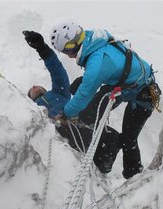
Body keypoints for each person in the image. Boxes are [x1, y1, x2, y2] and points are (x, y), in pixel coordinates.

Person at [49, 22, 162, 179]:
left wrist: (65, 114)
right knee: (88, 113)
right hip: (125, 84)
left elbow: (84, 94)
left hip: (143, 95)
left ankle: (133, 176)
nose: (68, 56)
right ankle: (106, 142)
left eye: (66, 52)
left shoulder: (97, 63)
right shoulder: (95, 39)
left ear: (71, 47)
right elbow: (110, 65)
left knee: (129, 139)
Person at [22, 30, 121, 174]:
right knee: (93, 137)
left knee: (113, 135)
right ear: (29, 99)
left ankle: (101, 166)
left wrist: (42, 48)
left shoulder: (59, 93)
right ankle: (96, 161)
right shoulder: (31, 107)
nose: (33, 86)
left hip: (77, 121)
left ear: (46, 90)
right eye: (31, 90)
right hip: (59, 129)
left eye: (37, 85)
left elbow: (57, 71)